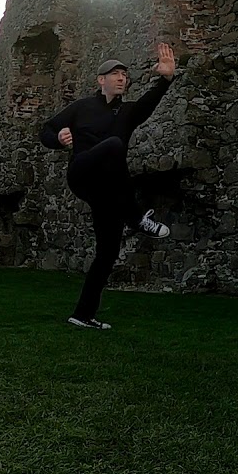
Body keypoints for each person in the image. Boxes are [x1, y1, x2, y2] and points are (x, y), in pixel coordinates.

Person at [39, 43, 177, 330]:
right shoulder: (82, 107)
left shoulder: (127, 112)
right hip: (82, 174)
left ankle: (82, 314)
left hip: (109, 191)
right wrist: (59, 137)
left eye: (124, 75)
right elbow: (47, 130)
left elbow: (149, 102)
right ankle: (137, 217)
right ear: (101, 80)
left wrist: (165, 79)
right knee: (114, 145)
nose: (121, 79)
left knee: (107, 253)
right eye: (115, 74)